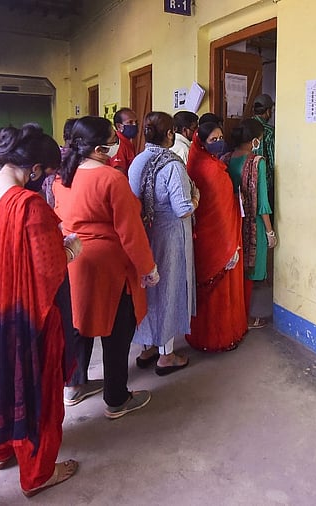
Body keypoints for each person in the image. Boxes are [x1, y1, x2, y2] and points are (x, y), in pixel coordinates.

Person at [0, 123, 78, 497]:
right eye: (47, 172)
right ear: (34, 168)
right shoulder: (27, 205)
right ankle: (39, 472)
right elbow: (47, 269)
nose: (45, 180)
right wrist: (70, 249)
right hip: (26, 307)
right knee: (34, 382)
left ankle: (0, 448)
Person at [52, 115, 158, 418]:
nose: (116, 144)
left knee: (78, 324)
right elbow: (130, 232)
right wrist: (147, 268)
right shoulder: (111, 178)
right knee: (116, 331)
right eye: (113, 140)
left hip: (74, 260)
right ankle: (116, 398)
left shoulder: (63, 176)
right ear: (99, 147)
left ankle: (74, 385)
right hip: (110, 267)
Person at [129, 111, 197, 375]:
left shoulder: (137, 161)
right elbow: (183, 209)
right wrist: (197, 199)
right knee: (168, 288)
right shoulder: (173, 165)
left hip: (144, 233)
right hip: (169, 236)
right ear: (170, 134)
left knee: (147, 289)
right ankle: (166, 354)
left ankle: (147, 346)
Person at [185, 121, 248, 351]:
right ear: (201, 142)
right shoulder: (212, 170)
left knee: (206, 295)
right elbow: (221, 211)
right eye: (213, 139)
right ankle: (221, 337)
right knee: (220, 294)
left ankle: (203, 336)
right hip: (219, 240)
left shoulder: (196, 162)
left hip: (203, 239)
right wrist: (230, 244)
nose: (219, 142)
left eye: (221, 137)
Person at [222, 118, 276, 329]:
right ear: (254, 140)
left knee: (234, 274)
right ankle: (245, 318)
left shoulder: (225, 158)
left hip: (232, 223)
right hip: (254, 225)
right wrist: (270, 232)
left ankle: (232, 314)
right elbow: (262, 202)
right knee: (249, 276)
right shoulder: (257, 162)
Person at [252, 93, 276, 195]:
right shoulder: (269, 131)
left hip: (246, 177)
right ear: (268, 111)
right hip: (264, 181)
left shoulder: (244, 125)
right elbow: (272, 160)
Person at [111, 107, 139, 173]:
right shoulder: (117, 143)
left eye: (136, 122)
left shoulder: (127, 142)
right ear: (119, 126)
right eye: (130, 122)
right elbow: (118, 173)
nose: (135, 125)